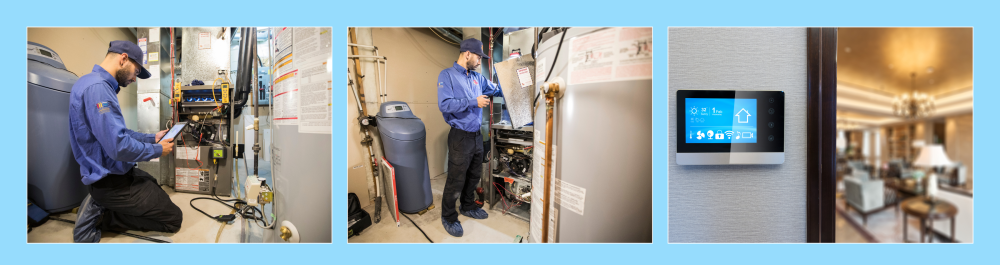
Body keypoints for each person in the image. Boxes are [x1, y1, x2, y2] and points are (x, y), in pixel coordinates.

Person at [69, 40, 181, 243]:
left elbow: (119, 134)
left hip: (115, 172)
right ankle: (107, 215)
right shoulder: (98, 89)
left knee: (153, 183)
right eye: (136, 72)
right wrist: (157, 150)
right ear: (123, 59)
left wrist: (151, 138)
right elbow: (118, 146)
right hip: (110, 182)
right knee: (173, 219)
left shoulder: (95, 84)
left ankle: (102, 202)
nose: (135, 79)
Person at [436, 38, 503, 237]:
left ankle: (467, 206)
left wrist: (514, 83)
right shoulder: (446, 75)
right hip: (459, 137)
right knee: (456, 179)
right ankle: (448, 216)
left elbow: (495, 89)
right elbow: (445, 105)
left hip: (476, 136)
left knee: (474, 175)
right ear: (467, 54)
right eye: (478, 57)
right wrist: (473, 101)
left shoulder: (477, 78)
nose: (479, 61)